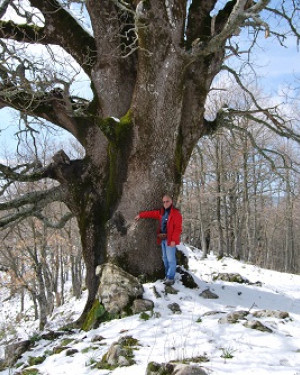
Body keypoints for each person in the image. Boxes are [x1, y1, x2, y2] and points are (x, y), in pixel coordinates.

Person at [135, 194, 182, 286]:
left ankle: (170, 277)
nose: (165, 203)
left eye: (167, 201)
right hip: (163, 239)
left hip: (170, 240)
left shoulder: (176, 213)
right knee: (165, 259)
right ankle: (167, 275)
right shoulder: (161, 212)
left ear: (171, 201)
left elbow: (178, 229)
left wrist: (173, 240)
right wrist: (140, 215)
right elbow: (151, 214)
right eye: (164, 202)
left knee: (171, 259)